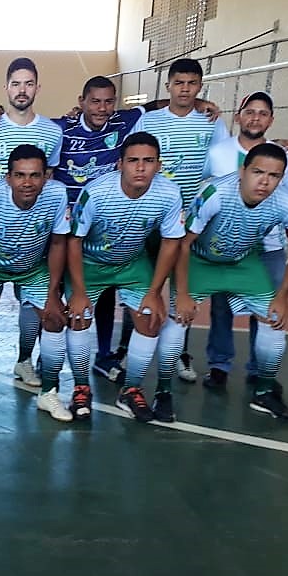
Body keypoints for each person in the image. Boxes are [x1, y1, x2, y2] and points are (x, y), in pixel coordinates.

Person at [53, 75, 220, 385]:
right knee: (64, 305)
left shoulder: (126, 122)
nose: (102, 108)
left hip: (127, 233)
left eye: (108, 101)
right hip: (77, 231)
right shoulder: (62, 128)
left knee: (138, 305)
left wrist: (194, 102)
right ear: (81, 102)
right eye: (94, 101)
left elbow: (153, 105)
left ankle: (115, 363)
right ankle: (54, 364)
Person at [154, 143, 288, 422]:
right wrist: (184, 293)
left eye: (274, 175)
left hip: (242, 262)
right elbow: (182, 243)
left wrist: (283, 296)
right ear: (242, 171)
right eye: (258, 172)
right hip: (199, 260)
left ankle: (264, 392)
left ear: (282, 178)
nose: (264, 181)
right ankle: (163, 393)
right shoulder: (214, 193)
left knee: (274, 319)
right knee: (178, 320)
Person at [65, 132, 184, 422]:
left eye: (148, 161)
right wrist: (78, 291)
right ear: (120, 164)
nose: (140, 168)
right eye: (133, 161)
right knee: (78, 318)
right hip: (90, 264)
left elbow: (171, 243)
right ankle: (81, 388)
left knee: (150, 319)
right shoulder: (96, 192)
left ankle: (130, 390)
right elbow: (74, 241)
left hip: (132, 263)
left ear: (159, 165)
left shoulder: (169, 193)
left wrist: (155, 292)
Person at [201, 91, 288, 389]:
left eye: (262, 113)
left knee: (267, 307)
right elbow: (202, 188)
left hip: (268, 246)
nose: (255, 118)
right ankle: (219, 365)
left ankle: (259, 369)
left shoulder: (283, 155)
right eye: (250, 112)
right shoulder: (217, 153)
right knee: (221, 306)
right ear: (238, 116)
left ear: (271, 120)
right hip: (225, 247)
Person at [130, 58, 230, 383]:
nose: (185, 89)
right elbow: (130, 160)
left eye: (191, 83)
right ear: (168, 86)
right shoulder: (149, 121)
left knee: (183, 290)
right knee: (140, 284)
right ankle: (127, 348)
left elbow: (225, 164)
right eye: (179, 83)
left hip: (190, 221)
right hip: (150, 218)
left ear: (200, 86)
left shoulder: (211, 122)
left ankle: (178, 354)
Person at [0, 144, 69, 421]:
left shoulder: (57, 195)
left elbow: (58, 243)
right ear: (8, 178)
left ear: (46, 176)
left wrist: (54, 292)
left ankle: (48, 392)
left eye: (34, 175)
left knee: (55, 318)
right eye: (20, 175)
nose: (27, 182)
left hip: (33, 267)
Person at [0, 56, 64, 389]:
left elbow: (51, 177)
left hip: (32, 235)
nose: (22, 90)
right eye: (15, 84)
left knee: (32, 302)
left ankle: (24, 360)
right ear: (6, 88)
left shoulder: (52, 132)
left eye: (28, 83)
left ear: (37, 87)